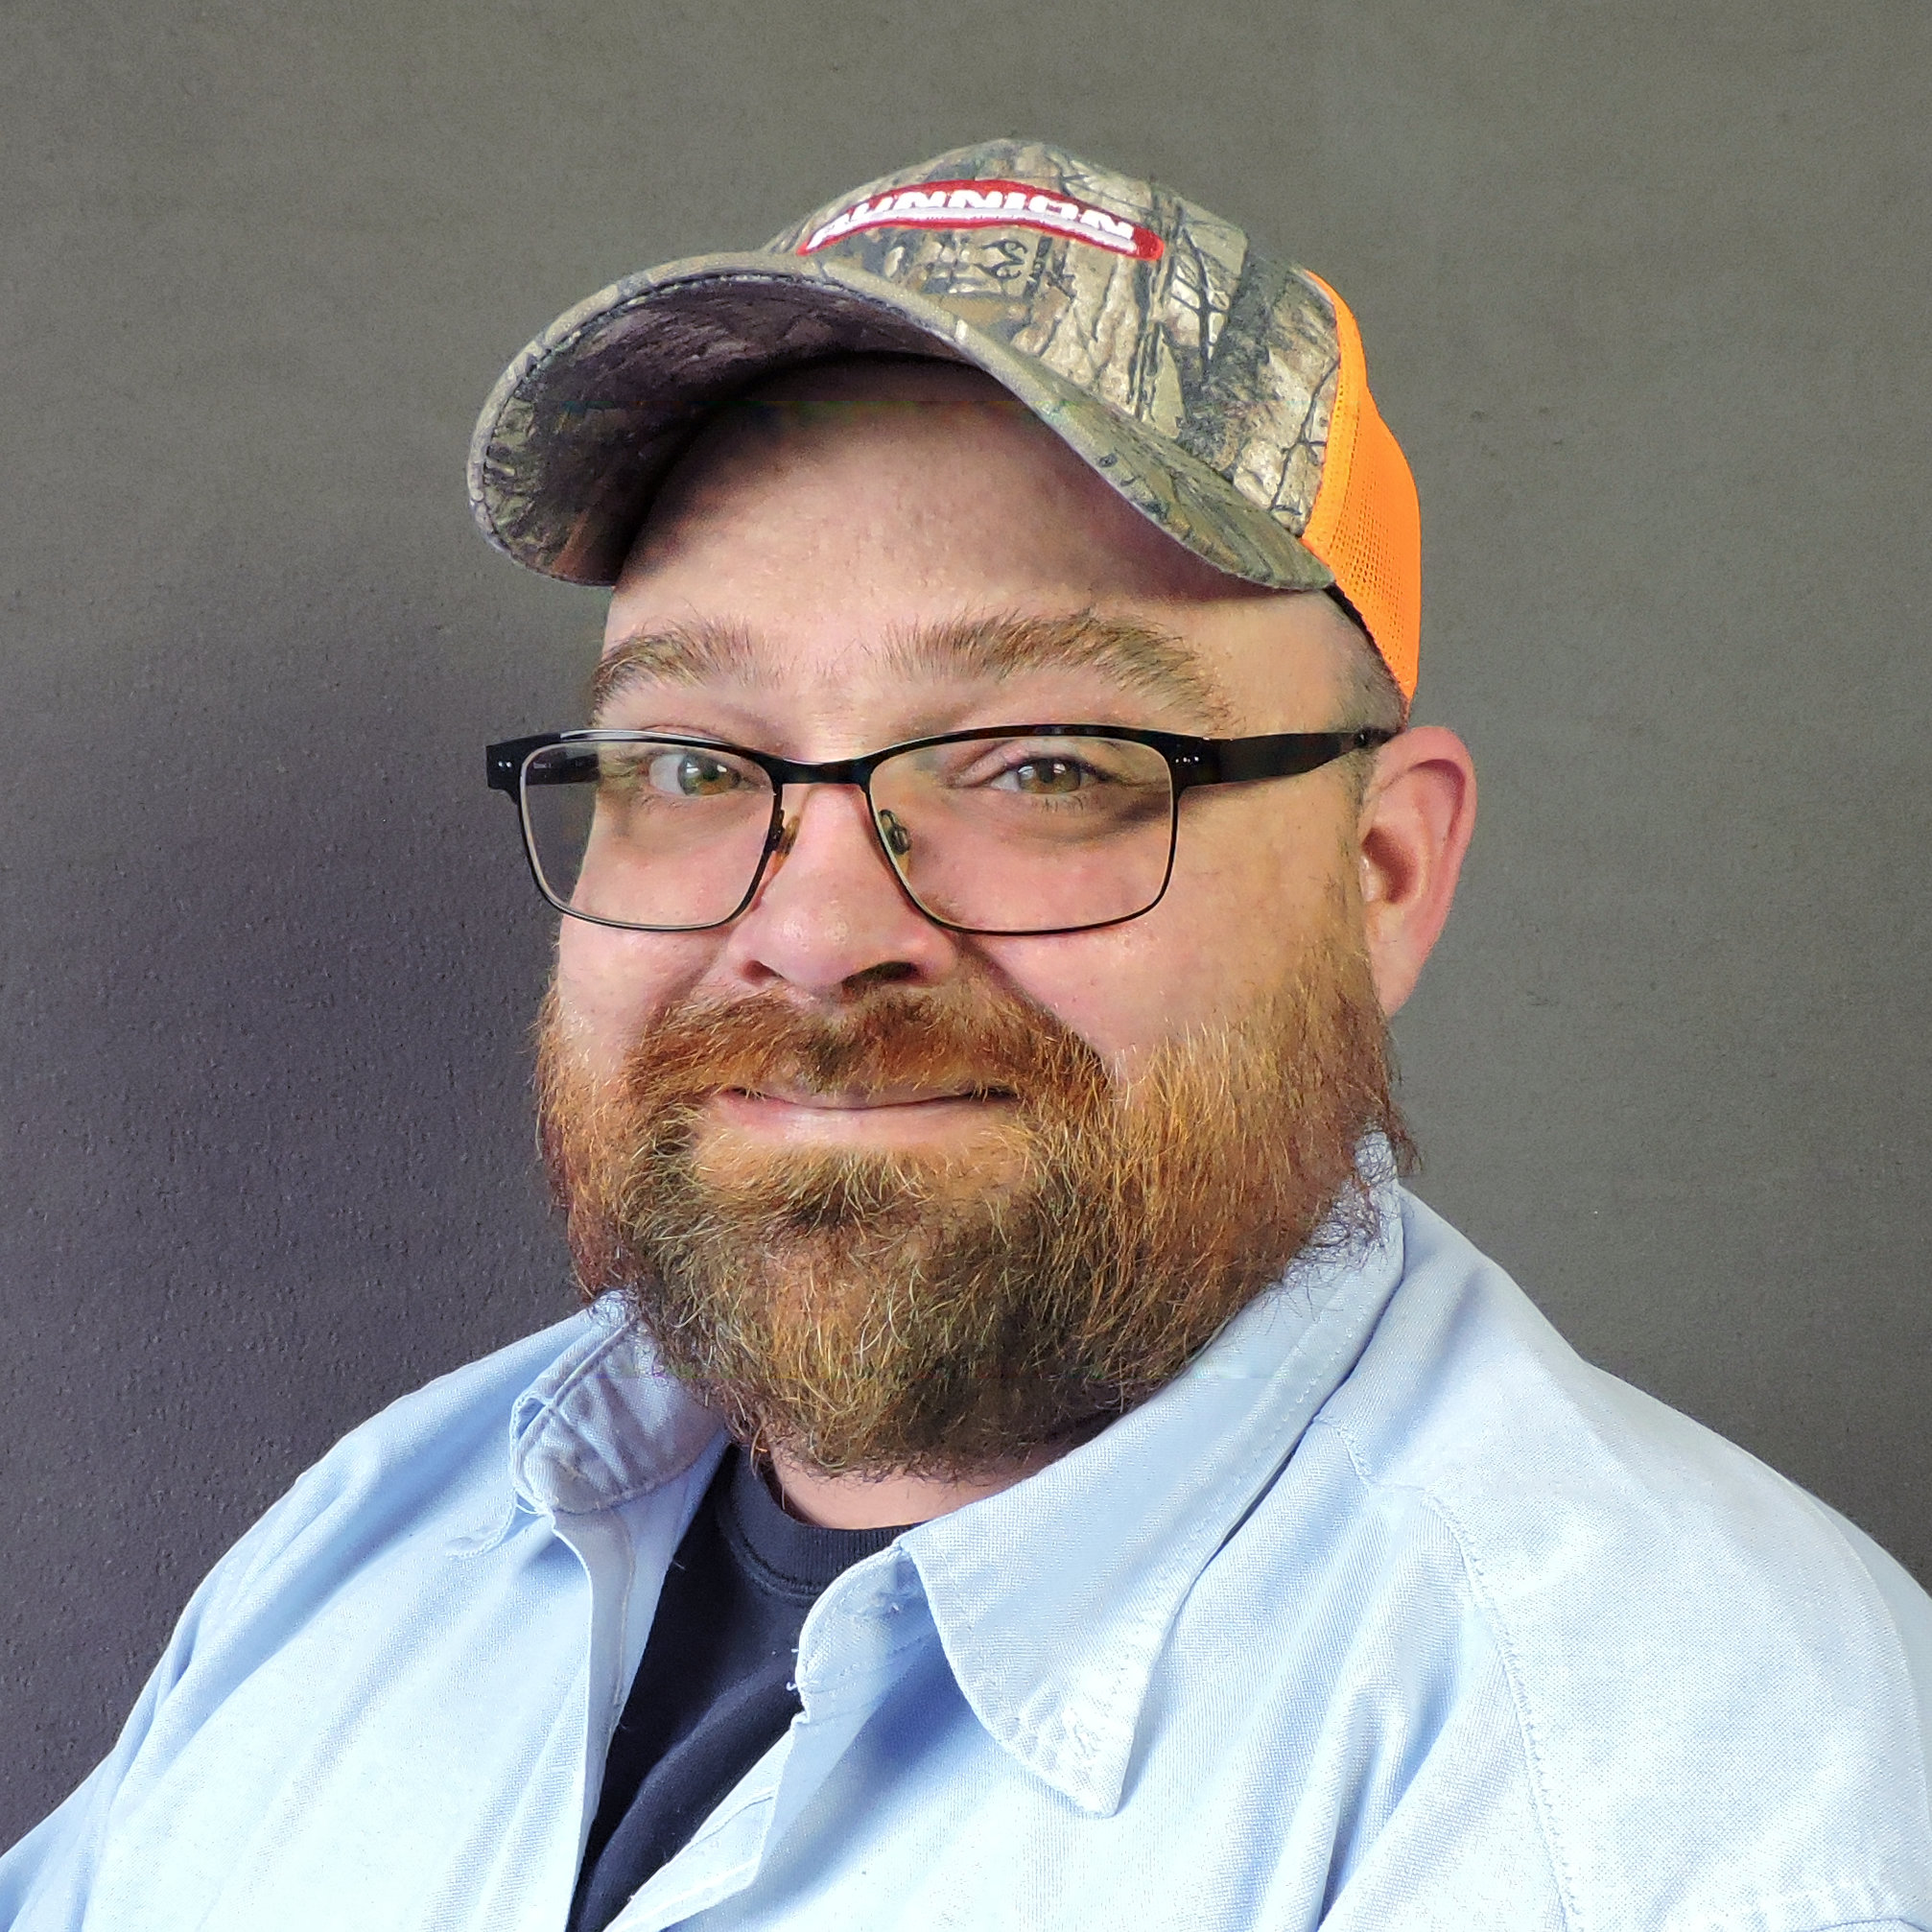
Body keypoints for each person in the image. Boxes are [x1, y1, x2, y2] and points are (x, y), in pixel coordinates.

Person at [3, 137, 1928, 1932]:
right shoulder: (384, 1536)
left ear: (1380, 877)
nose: (817, 932)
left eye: (1042, 760)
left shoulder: (1657, 1792)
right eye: (689, 756)